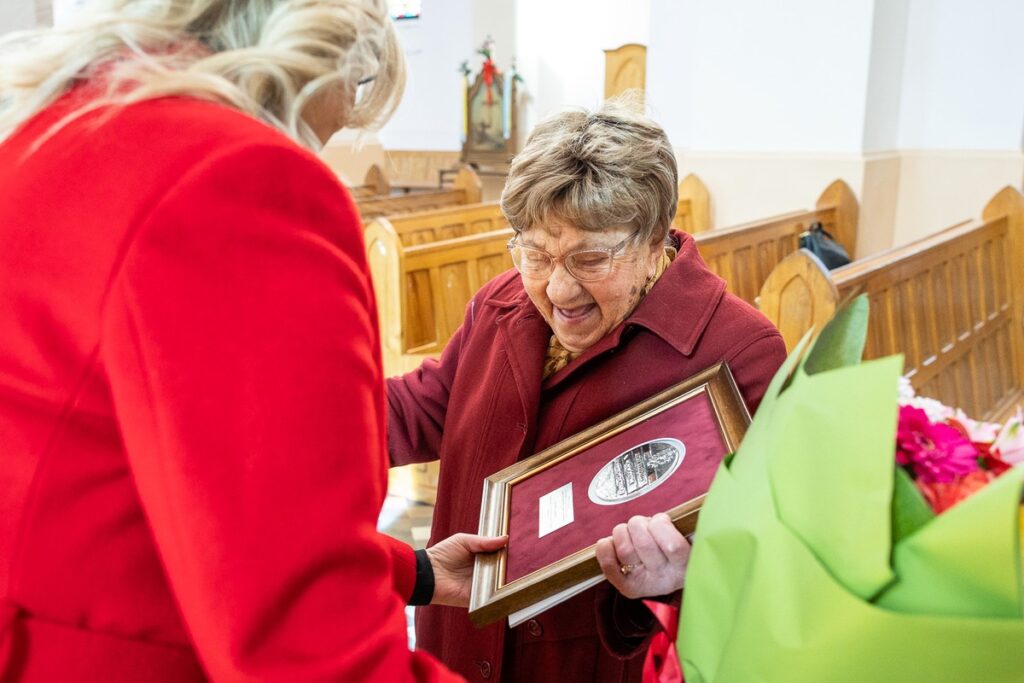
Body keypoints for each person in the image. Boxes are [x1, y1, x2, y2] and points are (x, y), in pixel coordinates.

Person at [0, 0, 502, 680]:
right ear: (329, 39)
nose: (332, 134)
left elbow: (166, 485)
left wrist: (409, 568)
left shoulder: (66, 125)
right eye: (356, 90)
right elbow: (311, 650)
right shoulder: (235, 178)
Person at [387, 99, 788, 682]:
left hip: (585, 661)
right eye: (536, 253)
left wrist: (677, 580)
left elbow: (758, 563)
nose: (558, 288)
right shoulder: (503, 302)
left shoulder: (738, 350)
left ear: (655, 242)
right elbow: (427, 406)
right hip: (459, 638)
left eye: (591, 258)